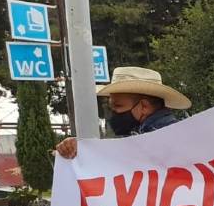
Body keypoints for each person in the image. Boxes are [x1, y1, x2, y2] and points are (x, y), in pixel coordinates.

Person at [55, 66, 190, 159]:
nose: (113, 112)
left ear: (144, 106)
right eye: (112, 107)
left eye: (118, 106)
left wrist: (86, 150)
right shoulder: (179, 135)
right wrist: (82, 149)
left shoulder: (166, 139)